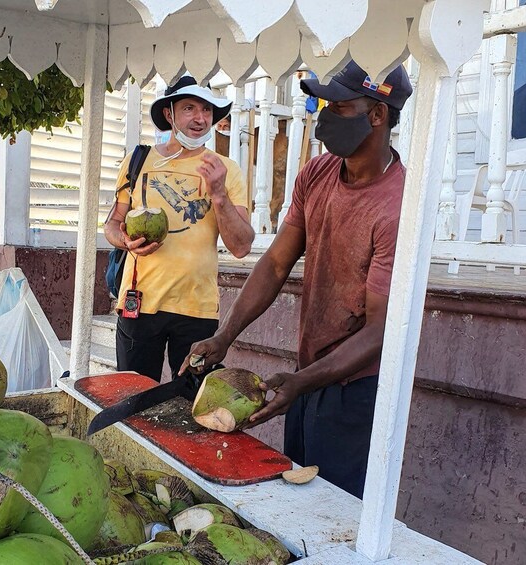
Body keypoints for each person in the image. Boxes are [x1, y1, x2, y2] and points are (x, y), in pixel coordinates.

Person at [181, 60, 414, 498]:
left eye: (339, 107)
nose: (323, 117)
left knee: (334, 513)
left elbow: (381, 329)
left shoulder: (397, 207)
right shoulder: (318, 173)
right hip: (308, 375)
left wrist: (303, 381)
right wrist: (224, 337)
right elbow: (273, 264)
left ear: (378, 115)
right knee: (297, 495)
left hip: (355, 390)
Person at [104, 75, 255, 382]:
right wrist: (126, 241)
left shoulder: (227, 170)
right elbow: (112, 224)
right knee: (133, 397)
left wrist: (219, 193)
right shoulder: (138, 161)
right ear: (170, 114)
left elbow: (241, 246)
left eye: (207, 110)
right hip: (140, 302)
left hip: (196, 308)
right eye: (189, 108)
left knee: (189, 404)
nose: (200, 118)